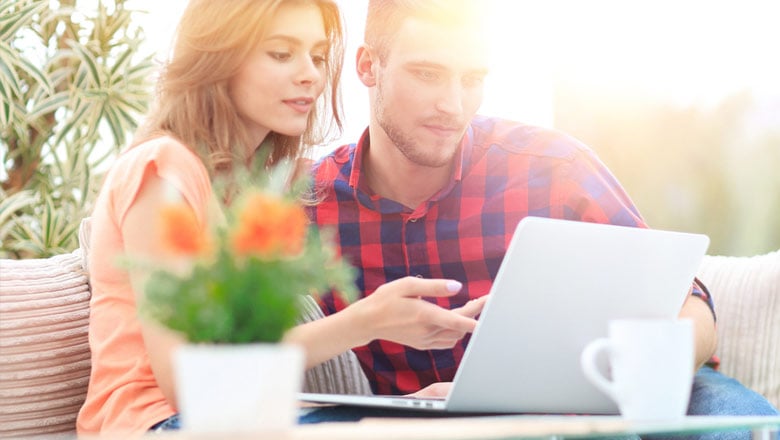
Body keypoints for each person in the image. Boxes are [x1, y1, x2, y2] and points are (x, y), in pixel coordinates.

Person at [303, 0, 779, 435]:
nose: (452, 105)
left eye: (472, 79)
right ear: (368, 66)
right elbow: (246, 353)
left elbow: (690, 304)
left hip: (614, 405)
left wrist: (644, 372)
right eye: (427, 74)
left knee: (740, 425)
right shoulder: (310, 204)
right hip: (420, 418)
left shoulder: (552, 168)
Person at [77, 0, 487, 435]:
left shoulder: (246, 196)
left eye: (316, 56)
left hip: (232, 422)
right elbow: (189, 386)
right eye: (280, 54)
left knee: (438, 418)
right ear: (219, 57)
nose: (310, 74)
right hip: (152, 424)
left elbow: (240, 378)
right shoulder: (164, 168)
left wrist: (396, 411)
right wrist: (365, 322)